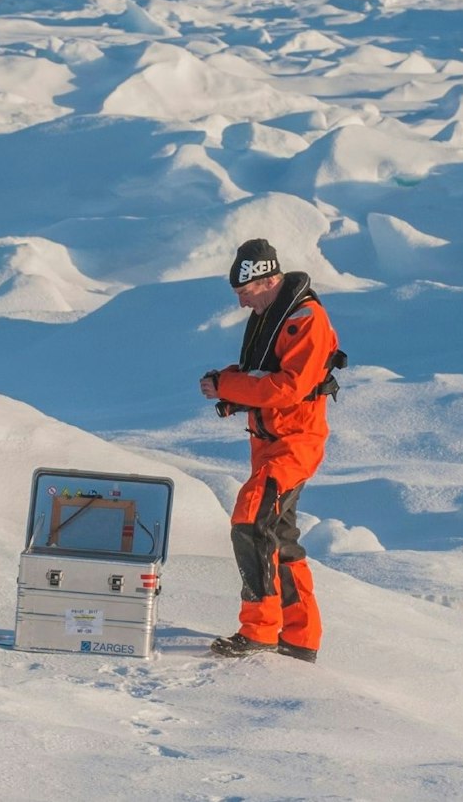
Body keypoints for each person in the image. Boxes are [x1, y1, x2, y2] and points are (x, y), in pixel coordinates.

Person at [198, 239, 341, 662]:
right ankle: (301, 638)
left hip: (295, 444)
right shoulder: (271, 316)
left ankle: (258, 630)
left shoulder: (305, 319)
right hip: (268, 445)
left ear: (269, 280)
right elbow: (263, 375)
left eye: (245, 293)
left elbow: (289, 388)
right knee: (279, 538)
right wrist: (229, 391)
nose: (242, 303)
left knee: (250, 518)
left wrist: (228, 386)